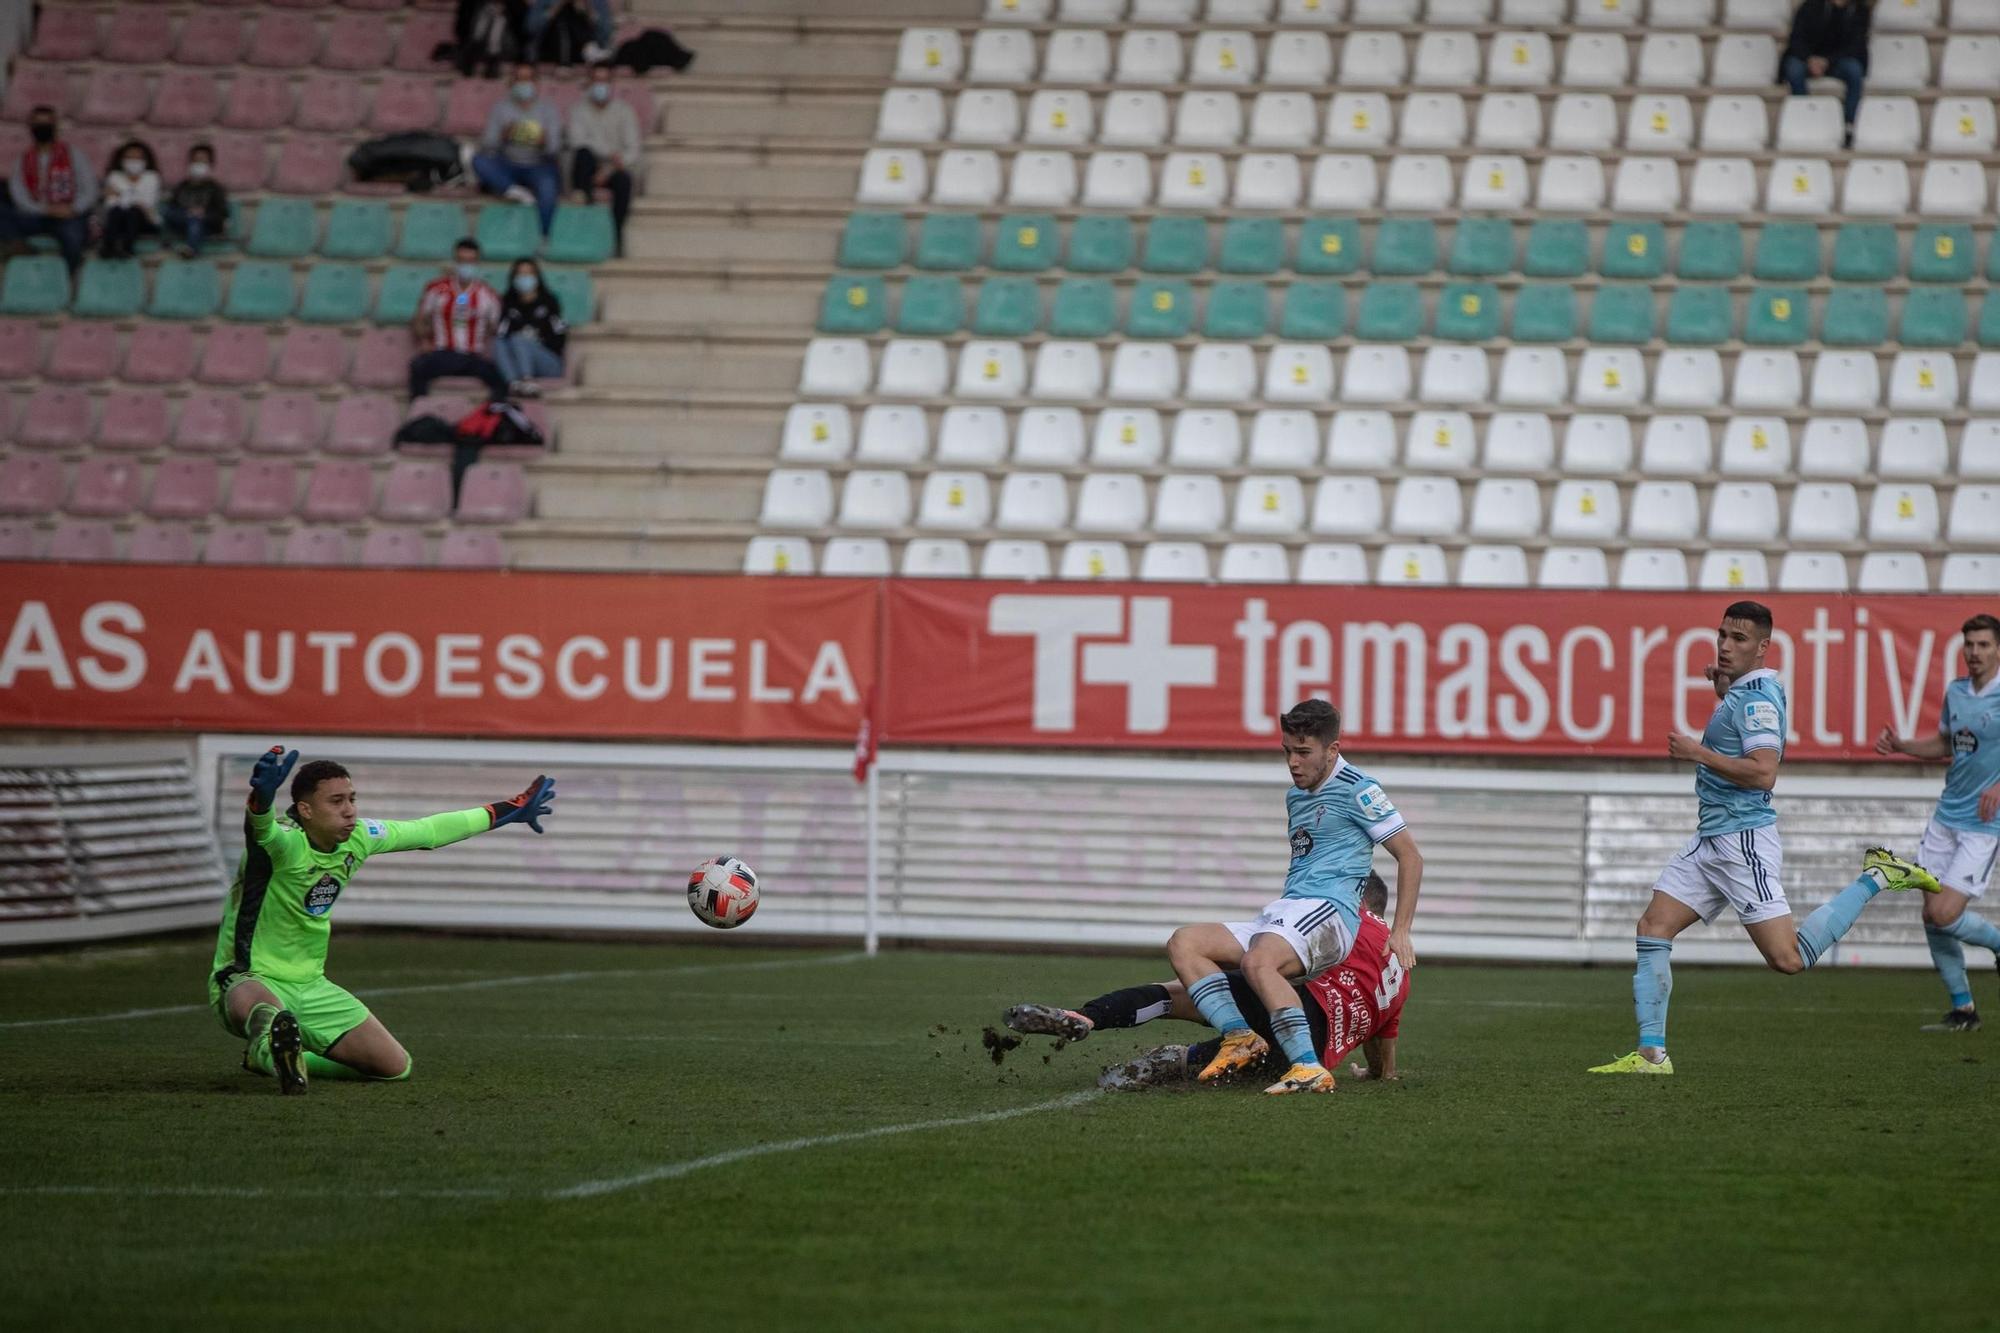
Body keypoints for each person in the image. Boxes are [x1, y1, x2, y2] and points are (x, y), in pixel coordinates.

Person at [1589, 602, 1939, 1076]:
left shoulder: (1754, 701)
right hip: (1711, 840)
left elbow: (1763, 773)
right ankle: (1652, 1056)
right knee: (1653, 928)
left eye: (1738, 639)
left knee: (1788, 959)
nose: (1726, 645)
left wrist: (1697, 752)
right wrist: (1723, 689)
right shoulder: (1742, 691)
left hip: (1742, 842)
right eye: (1722, 635)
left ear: (1762, 647)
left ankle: (1878, 876)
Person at [212, 746, 555, 1093]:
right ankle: (264, 1050)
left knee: (394, 1067)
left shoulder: (359, 837)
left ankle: (287, 1057)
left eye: (351, 799)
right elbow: (260, 828)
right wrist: (261, 798)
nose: (349, 810)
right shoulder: (283, 844)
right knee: (264, 1012)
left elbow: (429, 831)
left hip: (311, 986)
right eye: (336, 801)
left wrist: (510, 809)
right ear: (306, 810)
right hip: (248, 976)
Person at [1151, 699, 1422, 1096]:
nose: (1293, 763)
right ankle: (1238, 1035)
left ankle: (1308, 1066)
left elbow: (1411, 856)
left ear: (1332, 750)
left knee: (1258, 961)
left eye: (1303, 752)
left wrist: (1400, 931)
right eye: (1287, 752)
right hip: (1290, 909)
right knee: (1185, 942)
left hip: (1331, 912)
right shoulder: (1296, 797)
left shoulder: (1360, 790)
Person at [1006, 874, 1408, 1094]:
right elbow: (1382, 1041)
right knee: (1214, 1060)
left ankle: (1087, 1017)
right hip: (1311, 1049)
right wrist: (1377, 1074)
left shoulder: (1337, 919)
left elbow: (1279, 960)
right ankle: (1173, 1061)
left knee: (1177, 994)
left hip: (1293, 1006)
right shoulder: (1400, 969)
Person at [1875, 614, 2000, 1033]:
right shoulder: (1956, 691)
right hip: (1947, 817)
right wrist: (1903, 745)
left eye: (1983, 645)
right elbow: (1947, 742)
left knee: (1945, 913)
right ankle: (1963, 1010)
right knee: (1930, 914)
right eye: (1970, 645)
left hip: (1984, 825)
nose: (1975, 653)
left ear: (1997, 649)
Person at [410, 237, 510, 402]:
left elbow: (495, 327)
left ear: (477, 263)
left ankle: (491, 421)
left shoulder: (487, 294)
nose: (466, 266)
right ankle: (420, 414)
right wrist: (423, 339)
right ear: (455, 261)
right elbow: (419, 319)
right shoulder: (437, 288)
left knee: (500, 379)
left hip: (472, 356)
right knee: (417, 367)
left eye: (471, 261)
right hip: (442, 353)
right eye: (462, 261)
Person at [0, 105, 97, 274]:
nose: (42, 128)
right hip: (36, 215)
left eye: (47, 124)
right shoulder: (23, 159)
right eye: (38, 124)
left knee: (73, 237)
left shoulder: (74, 155)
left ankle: (69, 278)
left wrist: (72, 209)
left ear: (55, 126)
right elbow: (19, 194)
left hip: (68, 214)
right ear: (30, 127)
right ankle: (23, 251)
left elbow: (89, 190)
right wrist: (44, 209)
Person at [472, 62, 564, 237]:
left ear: (536, 83)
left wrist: (543, 142)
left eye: (528, 79)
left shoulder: (548, 109)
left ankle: (544, 235)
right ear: (512, 83)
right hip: (508, 163)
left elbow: (554, 148)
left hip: (538, 165)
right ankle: (516, 192)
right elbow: (488, 144)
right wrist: (503, 136)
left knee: (548, 187)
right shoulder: (500, 108)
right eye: (519, 79)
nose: (524, 84)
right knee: (479, 160)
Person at [566, 62, 639, 256]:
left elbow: (633, 150)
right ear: (589, 83)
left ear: (612, 84)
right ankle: (587, 222)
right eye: (596, 80)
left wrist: (608, 169)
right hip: (587, 167)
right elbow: (578, 141)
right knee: (584, 155)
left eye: (605, 81)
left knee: (625, 181)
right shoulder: (578, 110)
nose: (601, 85)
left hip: (614, 169)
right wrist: (609, 154)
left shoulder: (624, 111)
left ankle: (615, 234)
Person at [1779, 0, 1872, 144]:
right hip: (1807, 59)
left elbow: (1856, 46)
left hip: (1837, 61)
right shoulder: (1810, 6)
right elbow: (1796, 38)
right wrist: (1810, 59)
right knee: (1793, 69)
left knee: (1854, 70)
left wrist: (1827, 61)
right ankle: (1803, 117)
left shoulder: (1859, 11)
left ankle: (1849, 124)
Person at [494, 257, 567, 397]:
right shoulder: (508, 303)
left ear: (536, 277)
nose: (524, 278)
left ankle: (527, 381)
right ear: (513, 278)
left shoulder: (549, 302)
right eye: (520, 274)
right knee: (498, 343)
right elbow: (501, 334)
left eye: (528, 274)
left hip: (548, 363)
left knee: (518, 339)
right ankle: (513, 384)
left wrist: (535, 343)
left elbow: (560, 337)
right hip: (517, 359)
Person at [159, 143, 229, 258]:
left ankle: (191, 249)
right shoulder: (182, 186)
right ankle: (166, 240)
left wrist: (203, 213)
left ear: (210, 164)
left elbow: (221, 214)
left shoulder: (215, 189)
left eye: (202, 161)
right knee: (164, 210)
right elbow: (172, 208)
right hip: (183, 221)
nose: (198, 164)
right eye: (195, 160)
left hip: (204, 224)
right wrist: (187, 212)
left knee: (195, 221)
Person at [98, 139, 162, 260]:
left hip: (145, 221)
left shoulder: (152, 178)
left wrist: (120, 194)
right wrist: (131, 198)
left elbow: (147, 204)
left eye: (138, 158)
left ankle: (127, 248)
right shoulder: (114, 176)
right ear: (121, 160)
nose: (133, 161)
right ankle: (108, 247)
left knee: (133, 212)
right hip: (119, 218)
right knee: (116, 211)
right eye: (129, 157)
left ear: (146, 160)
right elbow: (110, 203)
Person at [527, 0, 613, 65]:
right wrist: (557, 6)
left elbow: (605, 34)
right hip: (549, 53)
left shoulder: (597, 2)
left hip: (585, 56)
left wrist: (589, 9)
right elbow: (531, 28)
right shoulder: (545, 2)